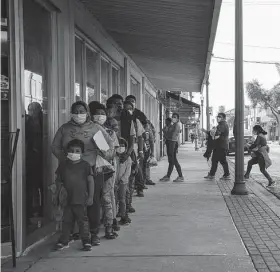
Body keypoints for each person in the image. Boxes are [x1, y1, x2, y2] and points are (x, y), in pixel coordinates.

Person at [52, 101, 114, 246]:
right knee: (69, 202)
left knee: (93, 203)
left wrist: (103, 150)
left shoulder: (95, 128)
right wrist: (65, 159)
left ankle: (93, 234)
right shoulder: (64, 129)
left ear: (87, 112)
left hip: (91, 171)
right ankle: (72, 233)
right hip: (70, 172)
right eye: (76, 111)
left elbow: (109, 149)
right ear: (71, 113)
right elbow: (54, 147)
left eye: (82, 111)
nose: (79, 114)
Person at [55, 139, 94, 251]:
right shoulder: (63, 165)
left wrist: (91, 197)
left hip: (81, 199)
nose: (74, 153)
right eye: (71, 150)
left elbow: (91, 181)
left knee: (83, 221)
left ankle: (86, 240)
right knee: (66, 221)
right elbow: (58, 180)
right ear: (67, 152)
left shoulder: (86, 165)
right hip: (66, 200)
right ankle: (64, 240)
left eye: (77, 151)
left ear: (82, 153)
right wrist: (57, 194)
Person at [89, 101, 118, 240]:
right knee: (92, 200)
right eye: (97, 113)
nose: (100, 116)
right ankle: (91, 229)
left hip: (104, 170)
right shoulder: (84, 129)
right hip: (89, 170)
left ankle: (109, 226)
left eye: (102, 114)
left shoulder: (104, 131)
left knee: (106, 197)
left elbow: (108, 153)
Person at [125, 95, 146, 197]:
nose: (128, 110)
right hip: (121, 150)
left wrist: (141, 151)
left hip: (134, 147)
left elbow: (140, 136)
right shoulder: (117, 120)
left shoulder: (136, 119)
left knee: (136, 168)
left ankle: (139, 187)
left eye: (132, 103)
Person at [204, 113, 230, 180]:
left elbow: (217, 133)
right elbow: (215, 133)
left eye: (219, 117)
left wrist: (213, 132)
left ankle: (212, 174)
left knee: (215, 160)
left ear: (223, 118)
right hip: (221, 145)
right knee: (222, 161)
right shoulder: (222, 124)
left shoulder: (222, 124)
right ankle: (226, 175)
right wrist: (209, 132)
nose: (217, 118)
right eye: (217, 116)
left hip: (220, 146)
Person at [160, 113, 184, 182]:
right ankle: (168, 176)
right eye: (173, 117)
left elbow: (170, 134)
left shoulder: (176, 125)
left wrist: (166, 132)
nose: (173, 118)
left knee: (173, 160)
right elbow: (166, 132)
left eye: (175, 117)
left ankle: (180, 176)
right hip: (170, 143)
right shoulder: (172, 125)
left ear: (178, 119)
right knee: (171, 160)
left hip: (172, 143)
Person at [115, 137, 133, 225]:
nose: (120, 148)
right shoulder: (114, 158)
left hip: (123, 182)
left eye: (122, 146)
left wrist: (122, 180)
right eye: (119, 146)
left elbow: (127, 172)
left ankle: (123, 216)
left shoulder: (127, 159)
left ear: (126, 148)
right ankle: (113, 218)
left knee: (122, 199)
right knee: (114, 200)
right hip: (114, 183)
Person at [142, 120, 156, 185]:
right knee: (141, 166)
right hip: (139, 149)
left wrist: (152, 152)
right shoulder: (137, 127)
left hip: (146, 149)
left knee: (146, 165)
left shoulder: (148, 129)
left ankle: (146, 179)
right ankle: (142, 180)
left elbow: (151, 140)